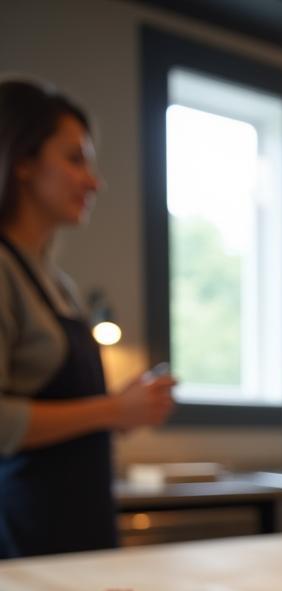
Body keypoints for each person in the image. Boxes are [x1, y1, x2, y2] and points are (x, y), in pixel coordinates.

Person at [0, 80, 174, 559]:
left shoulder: (61, 286)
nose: (93, 181)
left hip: (82, 526)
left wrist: (125, 409)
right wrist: (113, 410)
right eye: (75, 159)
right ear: (22, 161)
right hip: (24, 535)